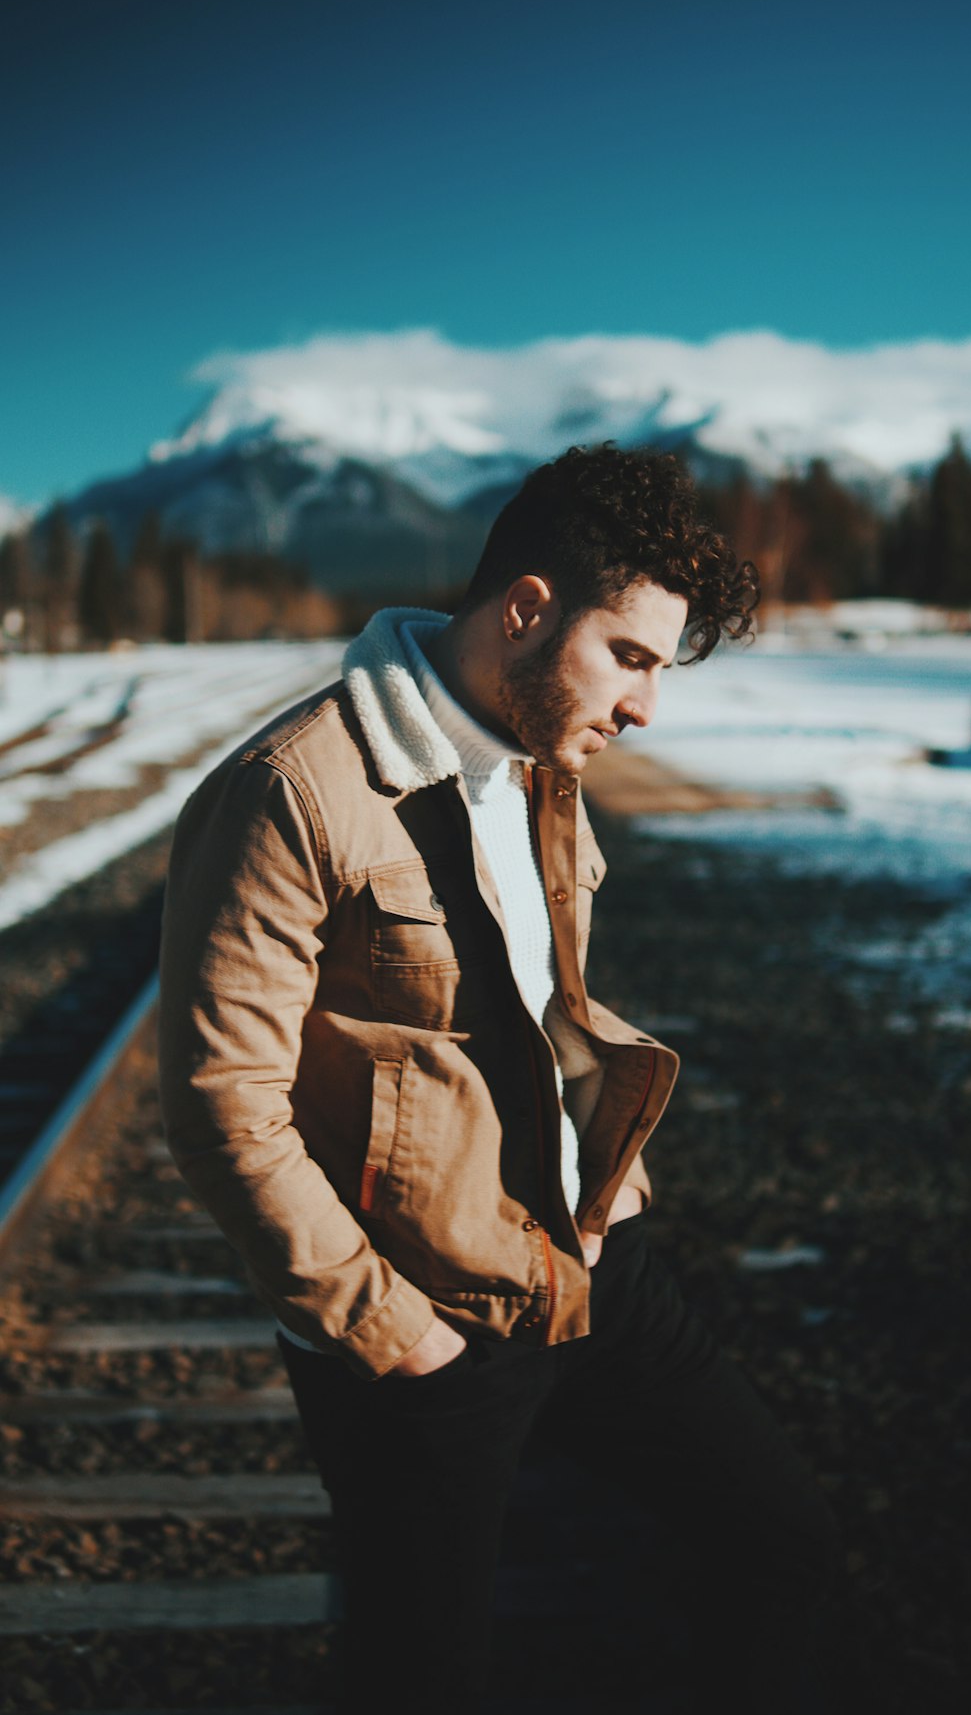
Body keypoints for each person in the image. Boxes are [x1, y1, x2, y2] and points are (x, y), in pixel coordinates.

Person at [158, 444, 847, 1712]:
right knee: (424, 1678)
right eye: (630, 657)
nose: (646, 706)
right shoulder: (293, 792)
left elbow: (524, 992)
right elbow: (221, 1100)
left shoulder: (539, 753)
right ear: (527, 610)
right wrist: (392, 1331)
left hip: (591, 1263)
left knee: (782, 1542)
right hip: (425, 1321)